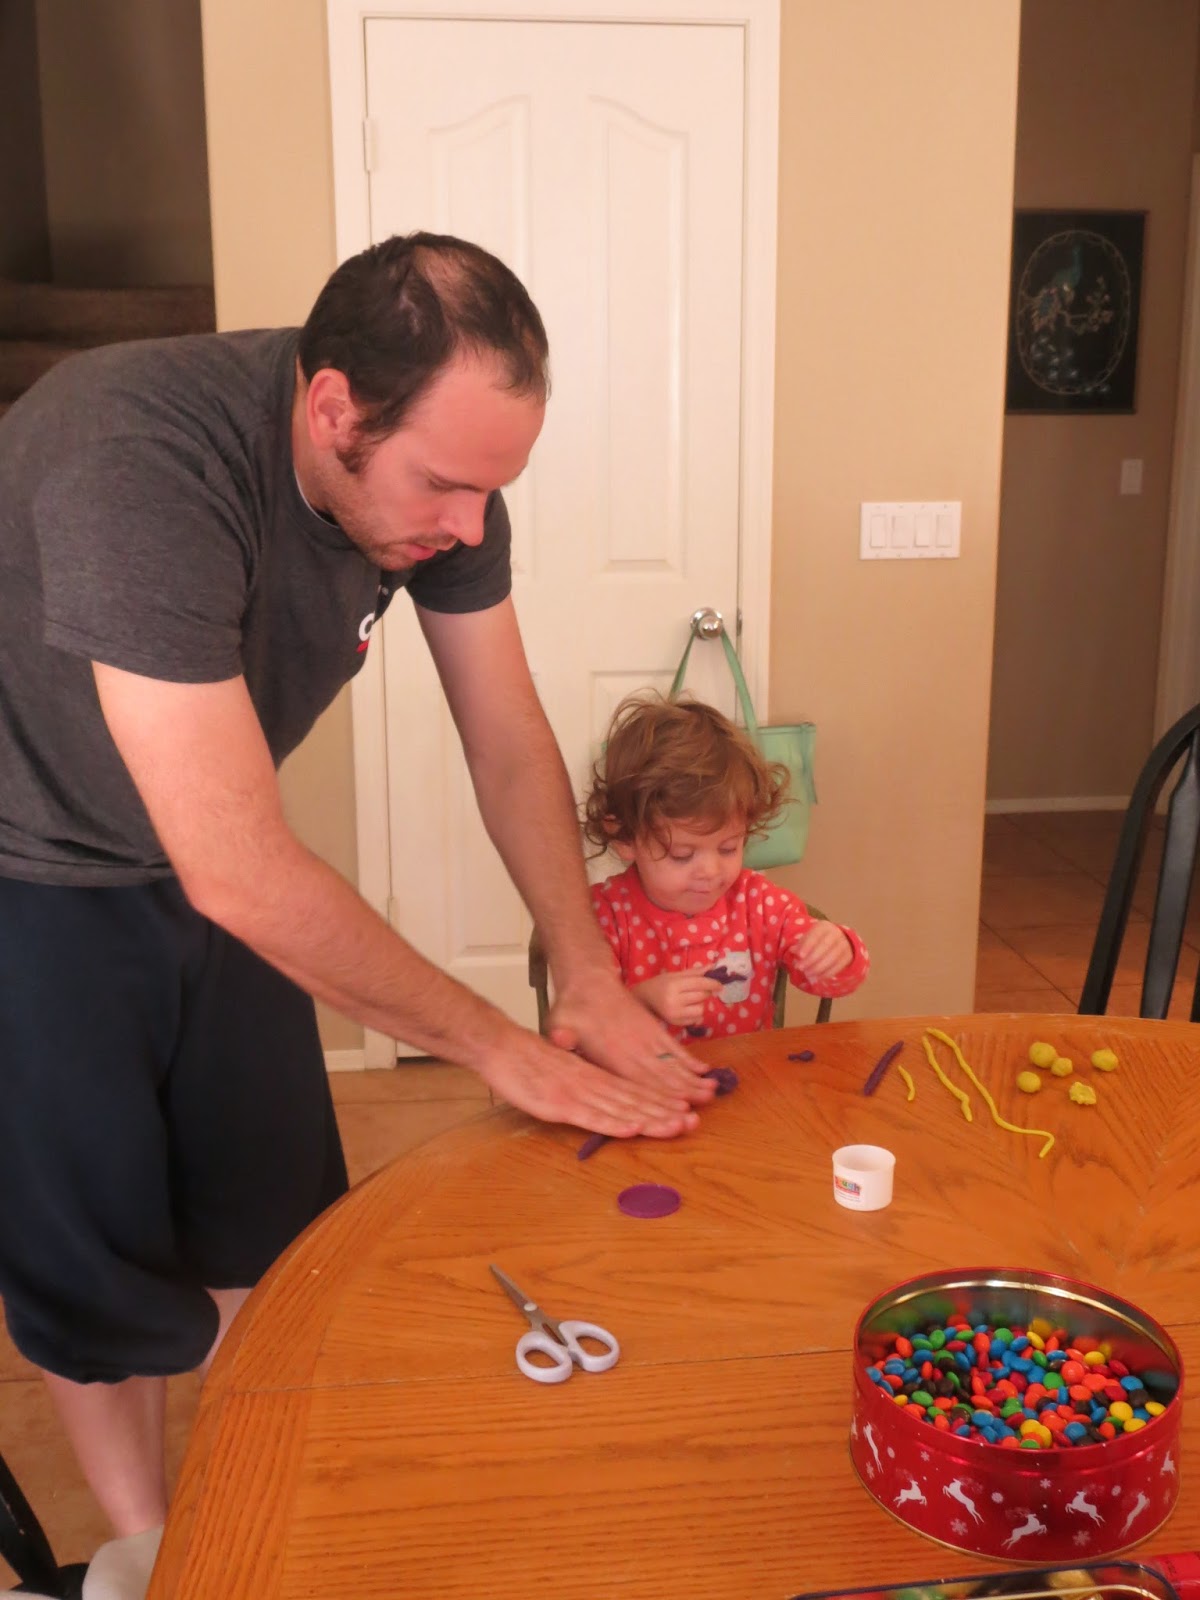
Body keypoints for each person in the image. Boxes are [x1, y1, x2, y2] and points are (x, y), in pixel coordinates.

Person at [0, 232, 713, 1596]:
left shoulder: (444, 490)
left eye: (493, 490)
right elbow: (237, 871)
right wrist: (498, 1047)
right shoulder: (135, 462)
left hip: (210, 844)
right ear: (333, 410)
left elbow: (506, 736)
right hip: (27, 862)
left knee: (281, 1229)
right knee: (92, 1273)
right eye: (445, 485)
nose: (469, 526)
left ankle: (278, 1494)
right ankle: (155, 1549)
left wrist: (583, 970)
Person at [583, 694, 870, 1039]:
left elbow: (830, 982)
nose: (710, 871)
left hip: (746, 1070)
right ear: (624, 837)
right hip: (635, 1073)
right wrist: (640, 1000)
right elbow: (583, 1022)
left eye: (729, 848)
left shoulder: (760, 905)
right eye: (682, 855)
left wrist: (838, 951)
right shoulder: (603, 916)